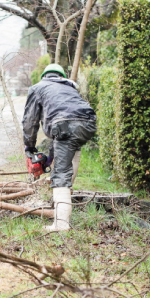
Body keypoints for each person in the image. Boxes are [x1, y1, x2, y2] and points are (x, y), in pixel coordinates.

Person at [23, 64, 97, 231]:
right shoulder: (70, 87)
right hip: (88, 123)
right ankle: (64, 198)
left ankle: (61, 223)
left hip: (65, 125)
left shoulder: (38, 88)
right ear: (61, 76)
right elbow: (65, 130)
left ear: (44, 76)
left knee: (61, 173)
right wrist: (49, 159)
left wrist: (29, 147)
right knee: (73, 149)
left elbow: (30, 122)